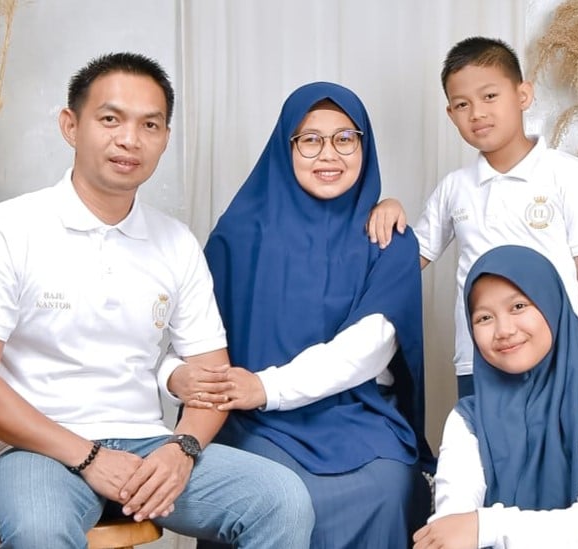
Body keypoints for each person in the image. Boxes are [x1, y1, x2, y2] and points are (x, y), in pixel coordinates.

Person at [0, 52, 314, 548]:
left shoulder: (176, 242)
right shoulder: (8, 229)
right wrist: (89, 457)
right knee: (40, 529)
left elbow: (212, 379)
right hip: (32, 448)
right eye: (110, 119)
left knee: (281, 499)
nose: (130, 139)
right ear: (71, 125)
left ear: (165, 138)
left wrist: (182, 448)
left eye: (150, 125)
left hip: (146, 444)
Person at [172, 81, 434, 548]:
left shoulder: (389, 239)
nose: (329, 154)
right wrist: (239, 392)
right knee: (270, 491)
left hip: (357, 414)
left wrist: (267, 387)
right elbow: (193, 339)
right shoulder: (237, 236)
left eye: (345, 138)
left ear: (364, 146)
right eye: (310, 139)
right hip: (254, 419)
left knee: (387, 486)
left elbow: (368, 349)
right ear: (286, 146)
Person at [367, 36, 578, 398]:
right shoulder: (455, 188)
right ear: (451, 115)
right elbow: (405, 260)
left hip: (558, 359)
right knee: (478, 437)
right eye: (462, 104)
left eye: (490, 96)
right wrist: (387, 206)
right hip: (478, 361)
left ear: (523, 95)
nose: (477, 113)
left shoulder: (569, 175)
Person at [413, 245, 578, 549]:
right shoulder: (468, 419)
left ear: (551, 305)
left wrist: (486, 526)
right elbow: (453, 526)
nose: (504, 330)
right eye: (484, 318)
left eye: (518, 306)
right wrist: (466, 531)